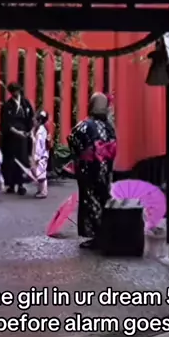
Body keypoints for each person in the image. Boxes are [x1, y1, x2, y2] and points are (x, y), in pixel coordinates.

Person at [67, 92, 117, 249]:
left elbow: (72, 139)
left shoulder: (85, 125)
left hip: (89, 169)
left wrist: (79, 154)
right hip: (105, 168)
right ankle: (107, 233)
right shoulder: (109, 127)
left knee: (90, 200)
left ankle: (97, 236)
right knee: (103, 198)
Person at [0, 82, 34, 195]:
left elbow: (30, 118)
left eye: (17, 90)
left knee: (22, 160)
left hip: (23, 136)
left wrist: (29, 131)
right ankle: (10, 184)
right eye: (13, 91)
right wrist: (16, 131)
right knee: (11, 161)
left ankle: (21, 184)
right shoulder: (7, 105)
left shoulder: (25, 103)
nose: (16, 92)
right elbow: (5, 123)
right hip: (11, 137)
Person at [31, 109, 50, 199]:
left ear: (39, 120)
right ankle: (40, 189)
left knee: (40, 173)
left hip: (41, 155)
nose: (33, 121)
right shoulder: (42, 129)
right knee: (39, 172)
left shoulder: (40, 132)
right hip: (43, 154)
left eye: (35, 119)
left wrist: (37, 157)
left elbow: (39, 146)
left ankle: (43, 191)